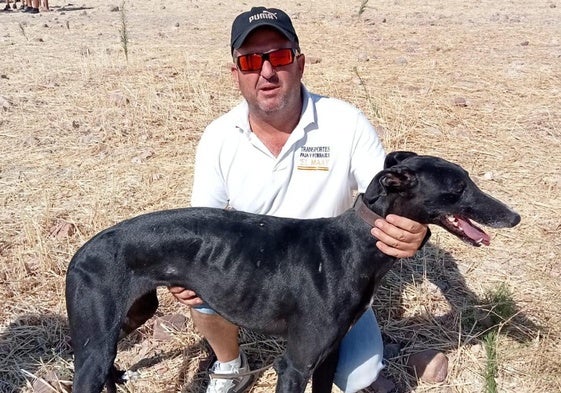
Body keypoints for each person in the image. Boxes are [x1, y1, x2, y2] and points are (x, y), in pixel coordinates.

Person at [169, 6, 429, 393]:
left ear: (300, 63)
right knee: (199, 287)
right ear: (236, 74)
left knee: (357, 377)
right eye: (252, 60)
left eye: (279, 56)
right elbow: (201, 222)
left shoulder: (346, 122)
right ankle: (230, 363)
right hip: (254, 276)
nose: (267, 72)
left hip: (332, 281)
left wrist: (417, 234)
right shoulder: (218, 137)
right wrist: (183, 270)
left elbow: (391, 198)